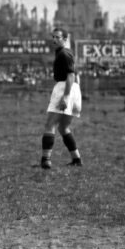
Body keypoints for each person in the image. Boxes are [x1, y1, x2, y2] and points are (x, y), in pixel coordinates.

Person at [39, 28, 83, 169]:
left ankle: (45, 160)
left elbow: (71, 75)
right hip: (72, 88)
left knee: (50, 125)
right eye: (53, 37)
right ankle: (76, 159)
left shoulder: (64, 53)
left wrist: (65, 96)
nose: (54, 39)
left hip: (65, 87)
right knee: (63, 127)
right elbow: (75, 76)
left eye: (58, 37)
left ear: (65, 39)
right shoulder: (65, 53)